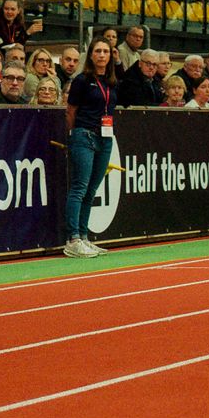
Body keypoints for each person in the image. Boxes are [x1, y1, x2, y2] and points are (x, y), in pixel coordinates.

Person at [63, 36, 116, 259]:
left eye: (105, 51)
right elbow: (71, 110)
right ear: (91, 55)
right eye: (98, 51)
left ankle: (84, 236)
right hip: (84, 135)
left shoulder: (112, 82)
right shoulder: (82, 80)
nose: (102, 55)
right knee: (80, 187)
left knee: (92, 189)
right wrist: (74, 134)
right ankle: (73, 239)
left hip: (106, 138)